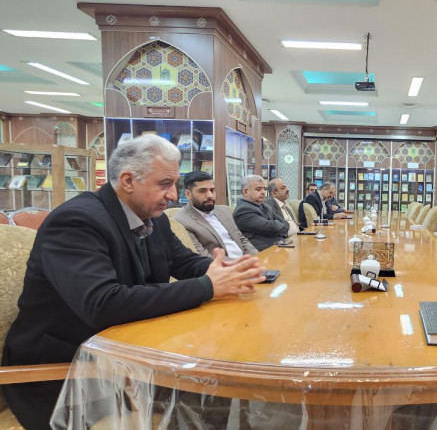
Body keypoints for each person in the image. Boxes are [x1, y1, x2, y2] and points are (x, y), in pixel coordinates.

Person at [2, 135, 265, 430]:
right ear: (128, 180)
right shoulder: (76, 221)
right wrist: (208, 286)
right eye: (164, 184)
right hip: (67, 374)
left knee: (223, 390)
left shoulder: (154, 217)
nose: (173, 195)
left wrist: (228, 270)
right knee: (215, 398)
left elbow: (183, 263)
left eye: (175, 184)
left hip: (131, 356)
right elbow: (104, 303)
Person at [173, 171, 258, 258]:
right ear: (188, 194)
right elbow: (202, 257)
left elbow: (242, 240)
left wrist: (257, 257)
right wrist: (241, 263)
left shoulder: (225, 211)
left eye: (212, 190)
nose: (210, 195)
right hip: (223, 265)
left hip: (249, 262)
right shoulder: (181, 221)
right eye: (202, 191)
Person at [233, 175, 290, 250]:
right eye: (258, 189)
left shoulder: (264, 205)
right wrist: (277, 225)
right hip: (262, 252)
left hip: (278, 246)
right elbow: (271, 227)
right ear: (245, 192)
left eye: (264, 189)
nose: (263, 192)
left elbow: (285, 224)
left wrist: (278, 228)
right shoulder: (243, 210)